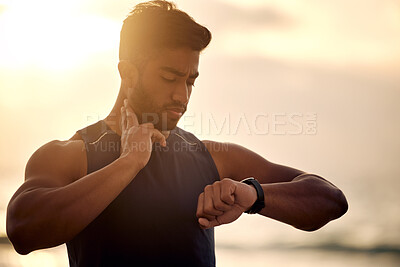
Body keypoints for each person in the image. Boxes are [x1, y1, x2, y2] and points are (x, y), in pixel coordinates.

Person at [6, 1, 348, 266]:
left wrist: (253, 196)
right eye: (170, 77)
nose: (182, 96)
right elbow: (23, 230)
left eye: (190, 81)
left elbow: (330, 200)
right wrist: (128, 163)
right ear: (128, 73)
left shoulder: (214, 157)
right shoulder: (71, 155)